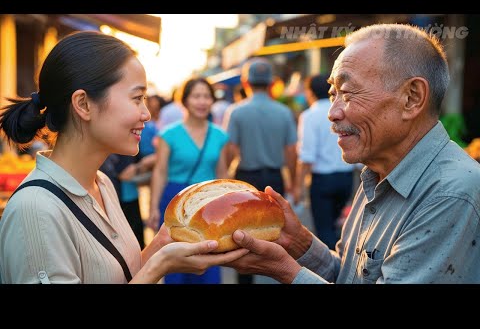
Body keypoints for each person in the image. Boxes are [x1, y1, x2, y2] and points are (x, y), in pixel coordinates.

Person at [225, 23, 480, 284]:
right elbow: (351, 276)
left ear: (411, 98)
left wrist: (285, 270)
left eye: (346, 93)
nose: (332, 112)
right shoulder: (378, 172)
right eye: (332, 93)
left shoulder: (450, 192)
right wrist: (299, 243)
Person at [0, 31, 247, 284]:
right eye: (137, 98)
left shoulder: (102, 183)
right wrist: (158, 266)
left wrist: (160, 245)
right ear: (83, 104)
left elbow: (118, 275)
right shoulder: (35, 211)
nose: (146, 114)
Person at [148, 77, 229, 284]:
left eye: (206, 97)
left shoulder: (219, 134)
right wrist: (153, 209)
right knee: (176, 264)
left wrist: (229, 210)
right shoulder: (168, 134)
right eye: (196, 96)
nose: (202, 102)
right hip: (175, 201)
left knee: (209, 259)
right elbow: (160, 172)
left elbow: (223, 175)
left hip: (210, 203)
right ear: (184, 100)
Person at [223, 58, 297, 284]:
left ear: (246, 82)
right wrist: (292, 181)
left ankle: (244, 279)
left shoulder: (236, 112)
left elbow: (230, 148)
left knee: (242, 235)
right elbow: (291, 151)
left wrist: (228, 174)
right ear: (272, 83)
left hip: (246, 178)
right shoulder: (284, 112)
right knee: (275, 234)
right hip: (274, 180)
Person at [293, 74, 354, 249]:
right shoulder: (343, 110)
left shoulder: (309, 115)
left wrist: (299, 186)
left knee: (324, 228)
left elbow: (307, 155)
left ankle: (334, 270)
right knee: (340, 226)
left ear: (310, 92)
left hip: (322, 180)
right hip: (345, 177)